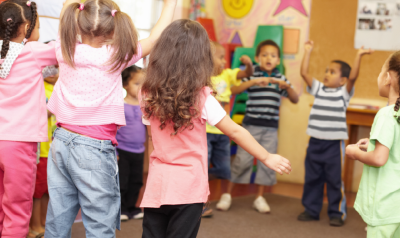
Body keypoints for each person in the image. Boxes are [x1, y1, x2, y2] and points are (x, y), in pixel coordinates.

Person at [139, 19, 292, 238]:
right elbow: (235, 131)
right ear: (201, 59)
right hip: (188, 189)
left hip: (158, 183)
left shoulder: (146, 92)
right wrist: (266, 156)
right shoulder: (201, 97)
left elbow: (151, 137)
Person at [45, 0, 177, 237]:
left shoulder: (64, 48)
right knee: (99, 224)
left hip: (60, 143)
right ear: (113, 28)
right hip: (93, 148)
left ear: (77, 22)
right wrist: (169, 5)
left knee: (57, 218)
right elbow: (155, 38)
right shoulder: (116, 56)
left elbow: (66, 9)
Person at [216, 40, 298, 214]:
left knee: (267, 164)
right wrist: (254, 82)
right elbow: (235, 89)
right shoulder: (253, 75)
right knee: (241, 160)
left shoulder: (280, 78)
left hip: (271, 129)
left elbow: (295, 99)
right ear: (257, 58)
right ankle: (227, 195)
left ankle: (259, 198)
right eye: (265, 54)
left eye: (273, 55)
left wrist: (288, 87)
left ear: (278, 61)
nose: (269, 58)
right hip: (250, 126)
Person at [298, 40, 372, 226]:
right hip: (315, 141)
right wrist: (307, 51)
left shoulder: (343, 93)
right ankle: (311, 210)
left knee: (333, 179)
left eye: (332, 72)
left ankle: (337, 212)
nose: (326, 74)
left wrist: (358, 55)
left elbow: (354, 77)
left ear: (342, 80)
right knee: (312, 177)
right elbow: (304, 73)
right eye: (326, 70)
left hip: (333, 144)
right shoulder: (318, 89)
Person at [0, 1, 58, 237]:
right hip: (19, 142)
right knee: (17, 209)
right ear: (25, 28)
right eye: (38, 27)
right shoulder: (32, 51)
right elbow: (66, 48)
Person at [346, 52, 400, 238]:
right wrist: (373, 142)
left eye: (380, 72)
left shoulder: (386, 114)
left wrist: (355, 152)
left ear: (388, 78)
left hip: (385, 206)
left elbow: (379, 158)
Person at [202, 41, 254, 217]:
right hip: (205, 132)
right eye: (221, 57)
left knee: (223, 169)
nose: (225, 61)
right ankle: (200, 203)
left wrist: (248, 64)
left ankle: (221, 194)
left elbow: (247, 73)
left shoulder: (228, 75)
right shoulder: (203, 78)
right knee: (201, 167)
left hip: (223, 133)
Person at [28, 66, 59, 238]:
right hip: (42, 150)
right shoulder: (38, 87)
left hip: (56, 149)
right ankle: (35, 225)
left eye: (56, 68)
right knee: (37, 191)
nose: (53, 73)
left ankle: (46, 223)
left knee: (50, 189)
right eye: (48, 69)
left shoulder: (59, 87)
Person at [116, 65, 147, 221]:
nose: (141, 88)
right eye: (136, 84)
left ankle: (133, 207)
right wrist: (114, 151)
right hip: (123, 151)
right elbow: (113, 130)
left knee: (137, 181)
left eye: (143, 84)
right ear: (125, 85)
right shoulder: (121, 105)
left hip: (139, 151)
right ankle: (121, 209)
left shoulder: (144, 107)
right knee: (122, 181)